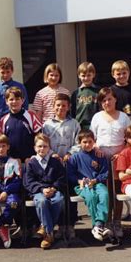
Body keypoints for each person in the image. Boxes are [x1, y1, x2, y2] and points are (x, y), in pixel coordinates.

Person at [90, 87, 131, 238]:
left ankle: (117, 222)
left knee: (117, 191)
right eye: (104, 100)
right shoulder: (97, 117)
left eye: (109, 99)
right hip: (101, 158)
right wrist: (95, 147)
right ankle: (106, 222)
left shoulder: (124, 117)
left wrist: (121, 153)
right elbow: (91, 138)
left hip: (119, 158)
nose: (107, 102)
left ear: (115, 100)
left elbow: (129, 139)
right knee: (105, 192)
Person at [42, 93, 80, 239]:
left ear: (69, 107)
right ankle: (59, 225)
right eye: (58, 105)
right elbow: (43, 142)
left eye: (64, 105)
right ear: (53, 107)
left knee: (71, 193)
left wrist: (70, 153)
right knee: (58, 195)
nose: (61, 108)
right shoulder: (47, 124)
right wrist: (51, 153)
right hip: (53, 163)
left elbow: (78, 142)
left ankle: (70, 225)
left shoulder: (74, 123)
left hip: (69, 163)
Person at [67, 129, 111, 241]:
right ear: (79, 143)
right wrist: (79, 181)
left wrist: (96, 180)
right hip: (82, 185)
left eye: (90, 142)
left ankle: (98, 224)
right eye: (84, 142)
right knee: (91, 197)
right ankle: (97, 225)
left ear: (94, 141)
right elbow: (70, 175)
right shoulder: (74, 157)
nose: (87, 144)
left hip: (97, 183)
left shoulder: (99, 156)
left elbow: (105, 173)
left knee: (104, 194)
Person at [25, 134, 65, 249]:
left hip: (54, 189)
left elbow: (62, 177)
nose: (42, 149)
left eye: (45, 146)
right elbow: (29, 181)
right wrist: (42, 189)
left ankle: (44, 227)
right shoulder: (31, 163)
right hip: (38, 191)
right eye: (39, 146)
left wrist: (53, 188)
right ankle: (49, 234)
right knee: (42, 202)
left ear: (49, 148)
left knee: (59, 200)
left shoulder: (55, 162)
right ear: (34, 148)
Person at [0, 86, 42, 162]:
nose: (14, 102)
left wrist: (37, 155)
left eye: (17, 99)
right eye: (11, 99)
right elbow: (1, 141)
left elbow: (39, 137)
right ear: (6, 101)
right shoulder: (3, 120)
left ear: (23, 100)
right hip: (11, 161)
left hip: (30, 159)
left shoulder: (31, 116)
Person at [0, 57, 29, 123]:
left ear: (12, 71)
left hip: (18, 120)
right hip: (1, 122)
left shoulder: (20, 87)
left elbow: (25, 105)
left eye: (8, 72)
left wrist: (21, 118)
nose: (5, 75)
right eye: (2, 72)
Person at [70, 62, 100, 130]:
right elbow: (72, 111)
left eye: (89, 75)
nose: (86, 78)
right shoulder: (76, 93)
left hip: (95, 125)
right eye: (83, 76)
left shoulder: (99, 91)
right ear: (79, 76)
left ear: (93, 74)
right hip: (79, 126)